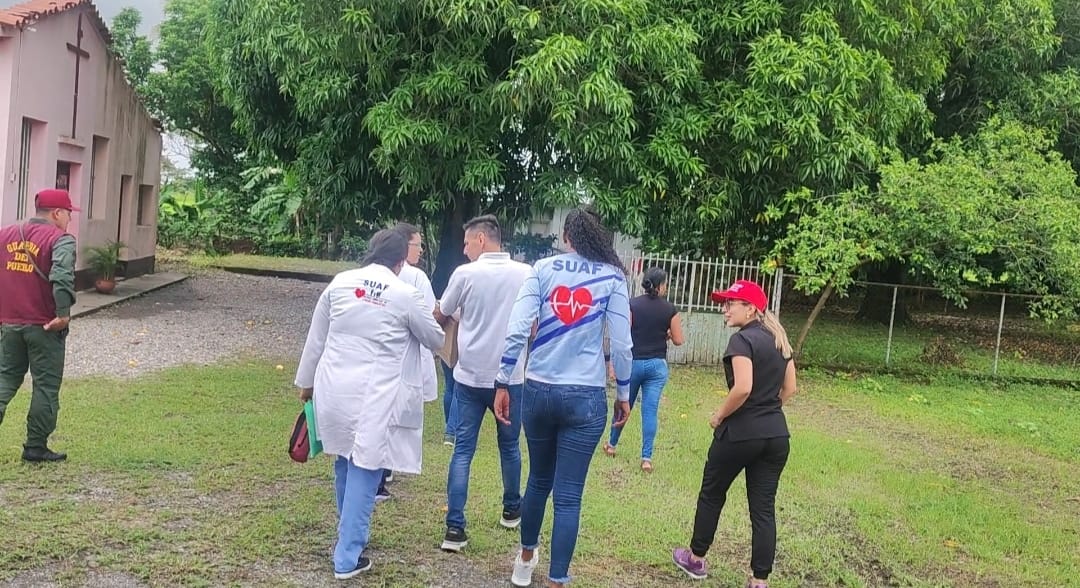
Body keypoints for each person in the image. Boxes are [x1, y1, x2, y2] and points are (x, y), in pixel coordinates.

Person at [493, 207, 633, 587]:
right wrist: (623, 392)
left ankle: (524, 561)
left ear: (566, 237)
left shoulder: (542, 269)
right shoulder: (613, 276)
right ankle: (557, 580)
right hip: (585, 395)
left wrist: (503, 380)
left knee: (538, 479)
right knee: (569, 495)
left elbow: (517, 329)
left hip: (538, 388)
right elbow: (622, 345)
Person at [294, 229, 444, 580]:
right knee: (367, 465)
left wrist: (306, 384)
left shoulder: (340, 283)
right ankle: (347, 555)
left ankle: (347, 535)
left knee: (344, 458)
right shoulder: (405, 294)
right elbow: (435, 338)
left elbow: (316, 338)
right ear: (400, 261)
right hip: (376, 394)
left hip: (334, 386)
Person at [671, 280, 797, 588]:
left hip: (739, 434)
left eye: (731, 304)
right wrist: (766, 412)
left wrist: (719, 415)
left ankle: (695, 559)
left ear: (751, 308)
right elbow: (790, 388)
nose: (724, 309)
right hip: (776, 436)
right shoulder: (779, 339)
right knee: (763, 509)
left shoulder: (742, 341)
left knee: (712, 494)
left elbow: (742, 388)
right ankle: (759, 580)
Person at [434, 215, 532, 552]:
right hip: (511, 377)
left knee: (463, 450)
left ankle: (454, 527)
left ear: (480, 239)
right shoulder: (525, 273)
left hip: (469, 376)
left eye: (466, 243)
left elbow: (442, 313)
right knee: (510, 446)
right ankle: (511, 508)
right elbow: (534, 324)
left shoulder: (465, 274)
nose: (464, 250)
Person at [0, 189, 79, 463]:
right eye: (68, 214)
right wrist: (63, 314)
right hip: (45, 326)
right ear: (56, 213)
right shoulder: (61, 240)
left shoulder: (6, 234)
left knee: (4, 379)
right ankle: (35, 447)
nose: (69, 219)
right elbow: (62, 276)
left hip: (9, 324)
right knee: (45, 386)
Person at [373, 222, 439, 501]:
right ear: (402, 247)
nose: (421, 250)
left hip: (376, 358)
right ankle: (382, 474)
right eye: (417, 245)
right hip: (406, 358)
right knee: (395, 419)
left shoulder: (364, 279)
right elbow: (431, 318)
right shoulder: (416, 278)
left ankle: (379, 472)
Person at [603, 266, 684, 471]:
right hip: (657, 366)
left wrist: (613, 363)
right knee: (650, 411)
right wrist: (666, 334)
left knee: (624, 404)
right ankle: (646, 458)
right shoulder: (670, 309)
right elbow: (679, 340)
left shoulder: (632, 305)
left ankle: (611, 445)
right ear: (661, 285)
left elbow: (623, 335)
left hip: (633, 364)